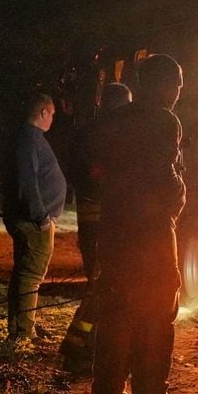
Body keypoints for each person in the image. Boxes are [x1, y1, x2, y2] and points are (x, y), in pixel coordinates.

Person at [91, 54, 198, 394]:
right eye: (177, 85)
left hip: (115, 231)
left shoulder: (115, 120)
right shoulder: (163, 120)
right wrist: (176, 199)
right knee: (154, 320)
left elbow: (95, 172)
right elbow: (165, 176)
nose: (178, 93)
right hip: (150, 234)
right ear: (165, 84)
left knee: (116, 318)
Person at [60, 82, 131, 371]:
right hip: (109, 219)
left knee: (100, 281)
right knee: (105, 283)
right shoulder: (119, 133)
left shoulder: (87, 131)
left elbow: (77, 172)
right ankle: (78, 347)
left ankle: (91, 346)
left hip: (90, 218)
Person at [1, 92, 67, 345]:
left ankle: (22, 327)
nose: (52, 119)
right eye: (51, 114)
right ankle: (22, 333)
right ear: (42, 112)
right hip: (33, 221)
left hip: (31, 218)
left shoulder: (30, 138)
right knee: (31, 275)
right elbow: (27, 181)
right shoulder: (29, 139)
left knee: (24, 273)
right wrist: (41, 216)